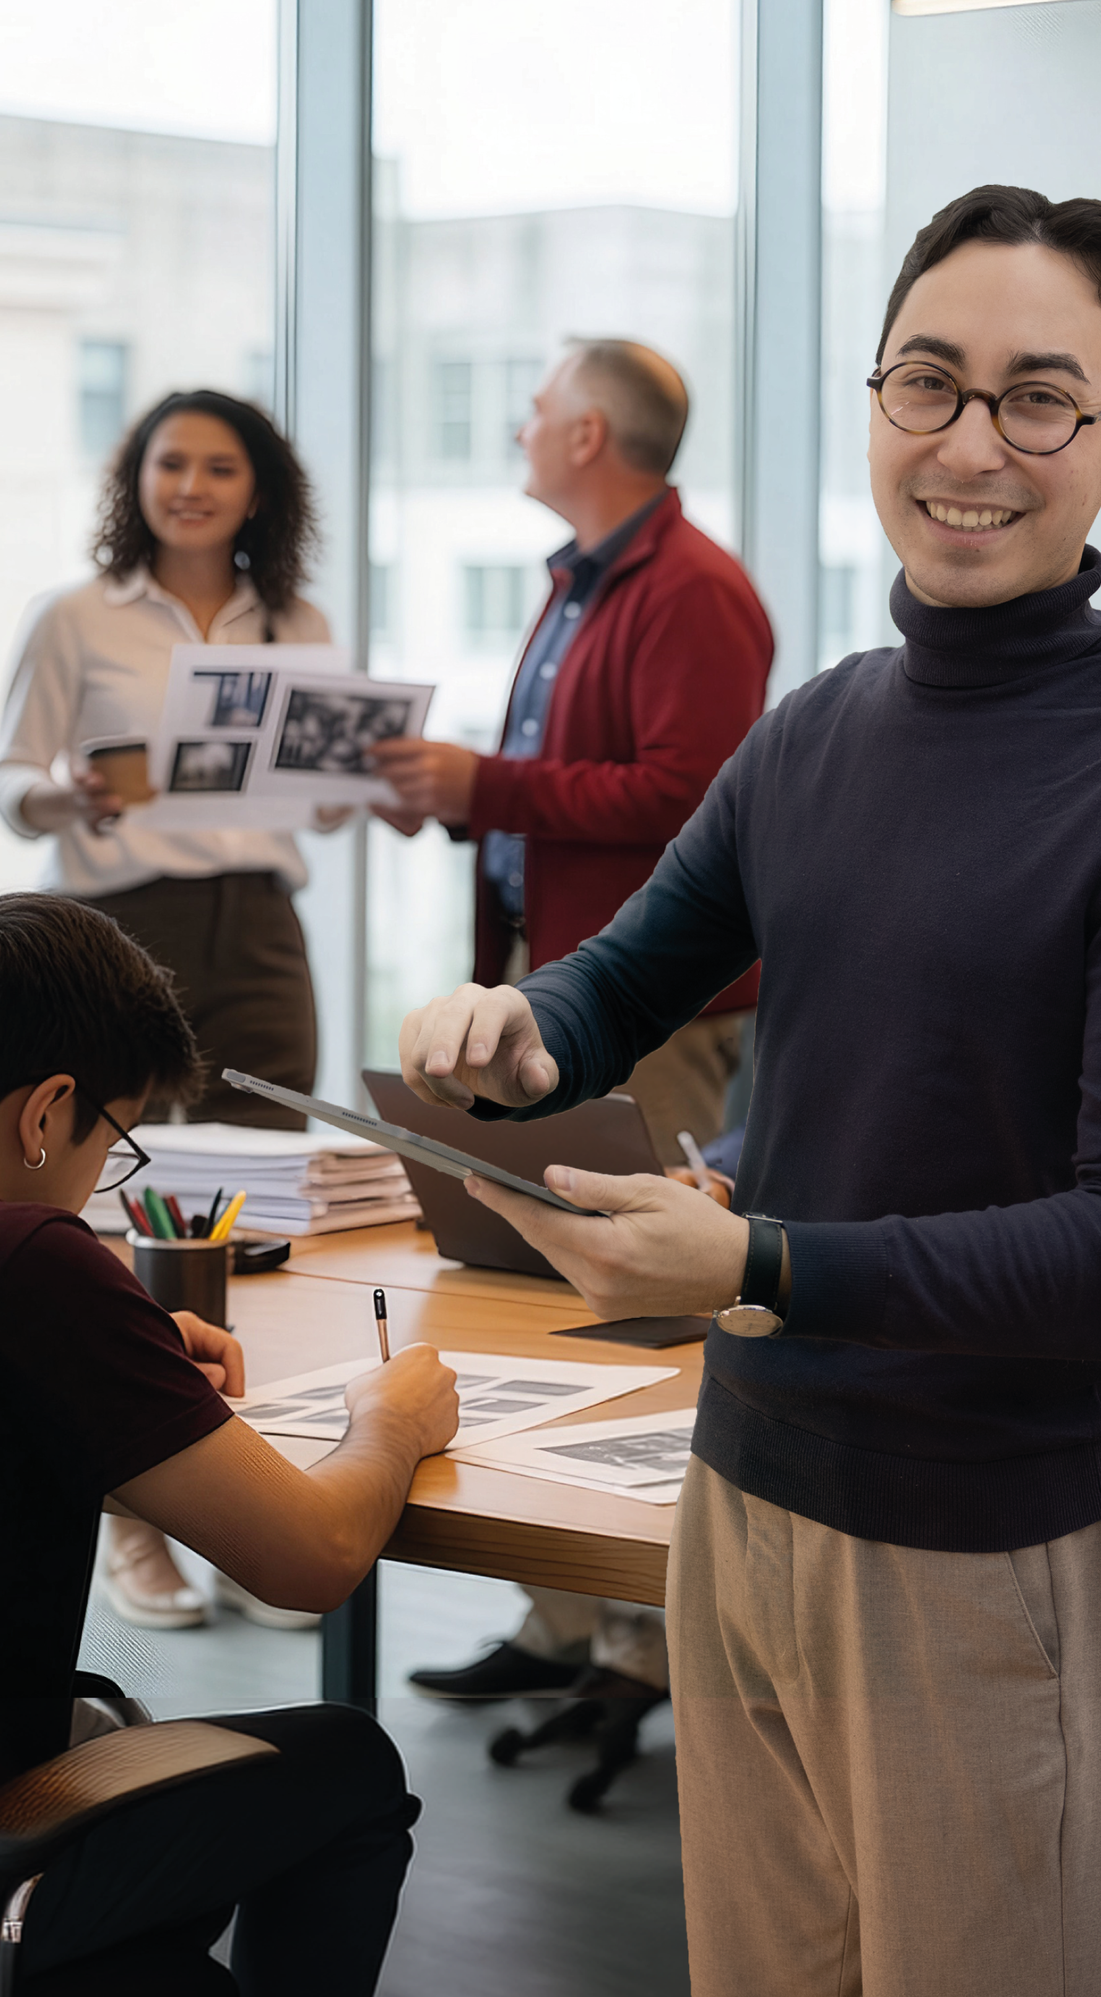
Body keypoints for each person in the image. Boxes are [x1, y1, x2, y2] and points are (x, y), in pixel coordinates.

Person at [397, 186, 1101, 1995]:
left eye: (1039, 398)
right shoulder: (815, 728)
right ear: (873, 403)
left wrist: (764, 1269)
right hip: (743, 1497)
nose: (971, 443)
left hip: (986, 1536)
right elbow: (627, 975)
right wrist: (522, 1029)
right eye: (927, 383)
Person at [0, 891, 460, 1994]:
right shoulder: (25, 1258)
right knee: (348, 1764)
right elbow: (309, 1560)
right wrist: (392, 1419)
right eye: (115, 1139)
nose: (101, 1179)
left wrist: (115, 1364)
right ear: (46, 1113)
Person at [378, 339, 771, 1706]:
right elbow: (573, 784)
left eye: (536, 405)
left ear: (592, 432)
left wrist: (485, 783)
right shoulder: (577, 581)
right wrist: (468, 799)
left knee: (644, 1315)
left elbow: (687, 804)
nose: (518, 421)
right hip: (563, 995)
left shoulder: (698, 590)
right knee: (539, 1301)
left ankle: (649, 1637)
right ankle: (566, 1618)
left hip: (652, 1007)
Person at [0, 390, 341, 1632]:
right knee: (127, 1206)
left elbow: (330, 795)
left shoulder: (299, 625)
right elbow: (8, 776)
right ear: (134, 479)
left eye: (220, 467)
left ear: (259, 489)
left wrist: (362, 780)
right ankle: (136, 1519)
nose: (192, 485)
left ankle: (261, 1497)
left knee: (265, 1200)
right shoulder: (76, 617)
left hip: (258, 919)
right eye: (169, 463)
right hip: (119, 921)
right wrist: (62, 797)